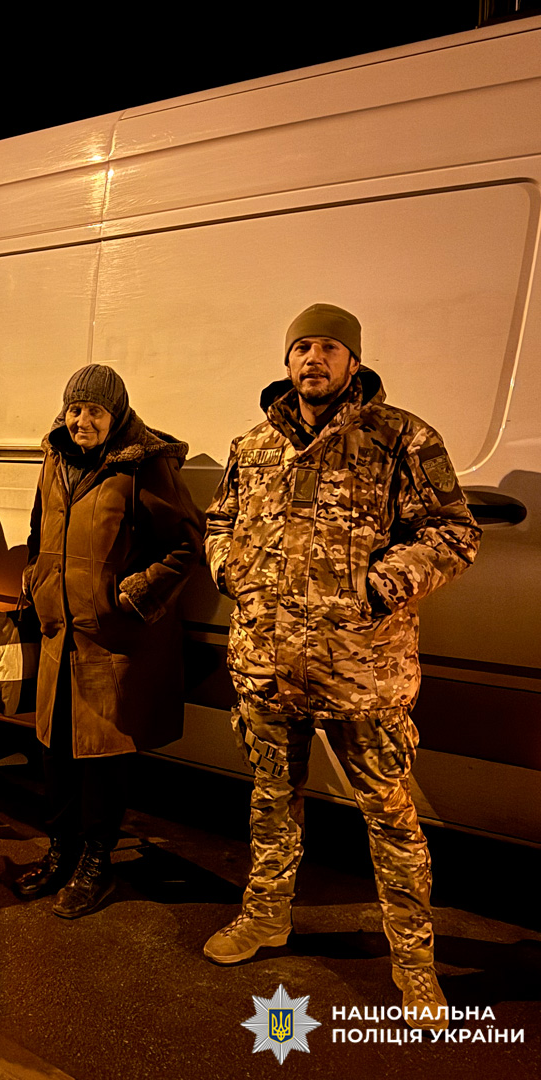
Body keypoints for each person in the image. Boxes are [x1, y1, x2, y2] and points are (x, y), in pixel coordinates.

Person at [202, 304, 481, 1030]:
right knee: (271, 805)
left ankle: (415, 965)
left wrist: (381, 582)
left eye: (328, 348)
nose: (312, 360)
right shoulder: (253, 445)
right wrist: (228, 568)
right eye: (301, 347)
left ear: (353, 361)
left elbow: (455, 532)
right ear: (287, 359)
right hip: (267, 662)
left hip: (364, 671)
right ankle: (265, 919)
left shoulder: (400, 438)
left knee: (390, 818)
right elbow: (220, 519)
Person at [18, 364, 204, 917]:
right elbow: (39, 530)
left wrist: (132, 596)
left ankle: (95, 863)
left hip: (113, 642)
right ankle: (61, 851)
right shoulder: (53, 458)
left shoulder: (144, 465)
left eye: (94, 411)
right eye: (75, 409)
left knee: (103, 759)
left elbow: (185, 543)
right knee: (55, 753)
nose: (81, 420)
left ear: (116, 414)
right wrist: (36, 578)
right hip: (62, 634)